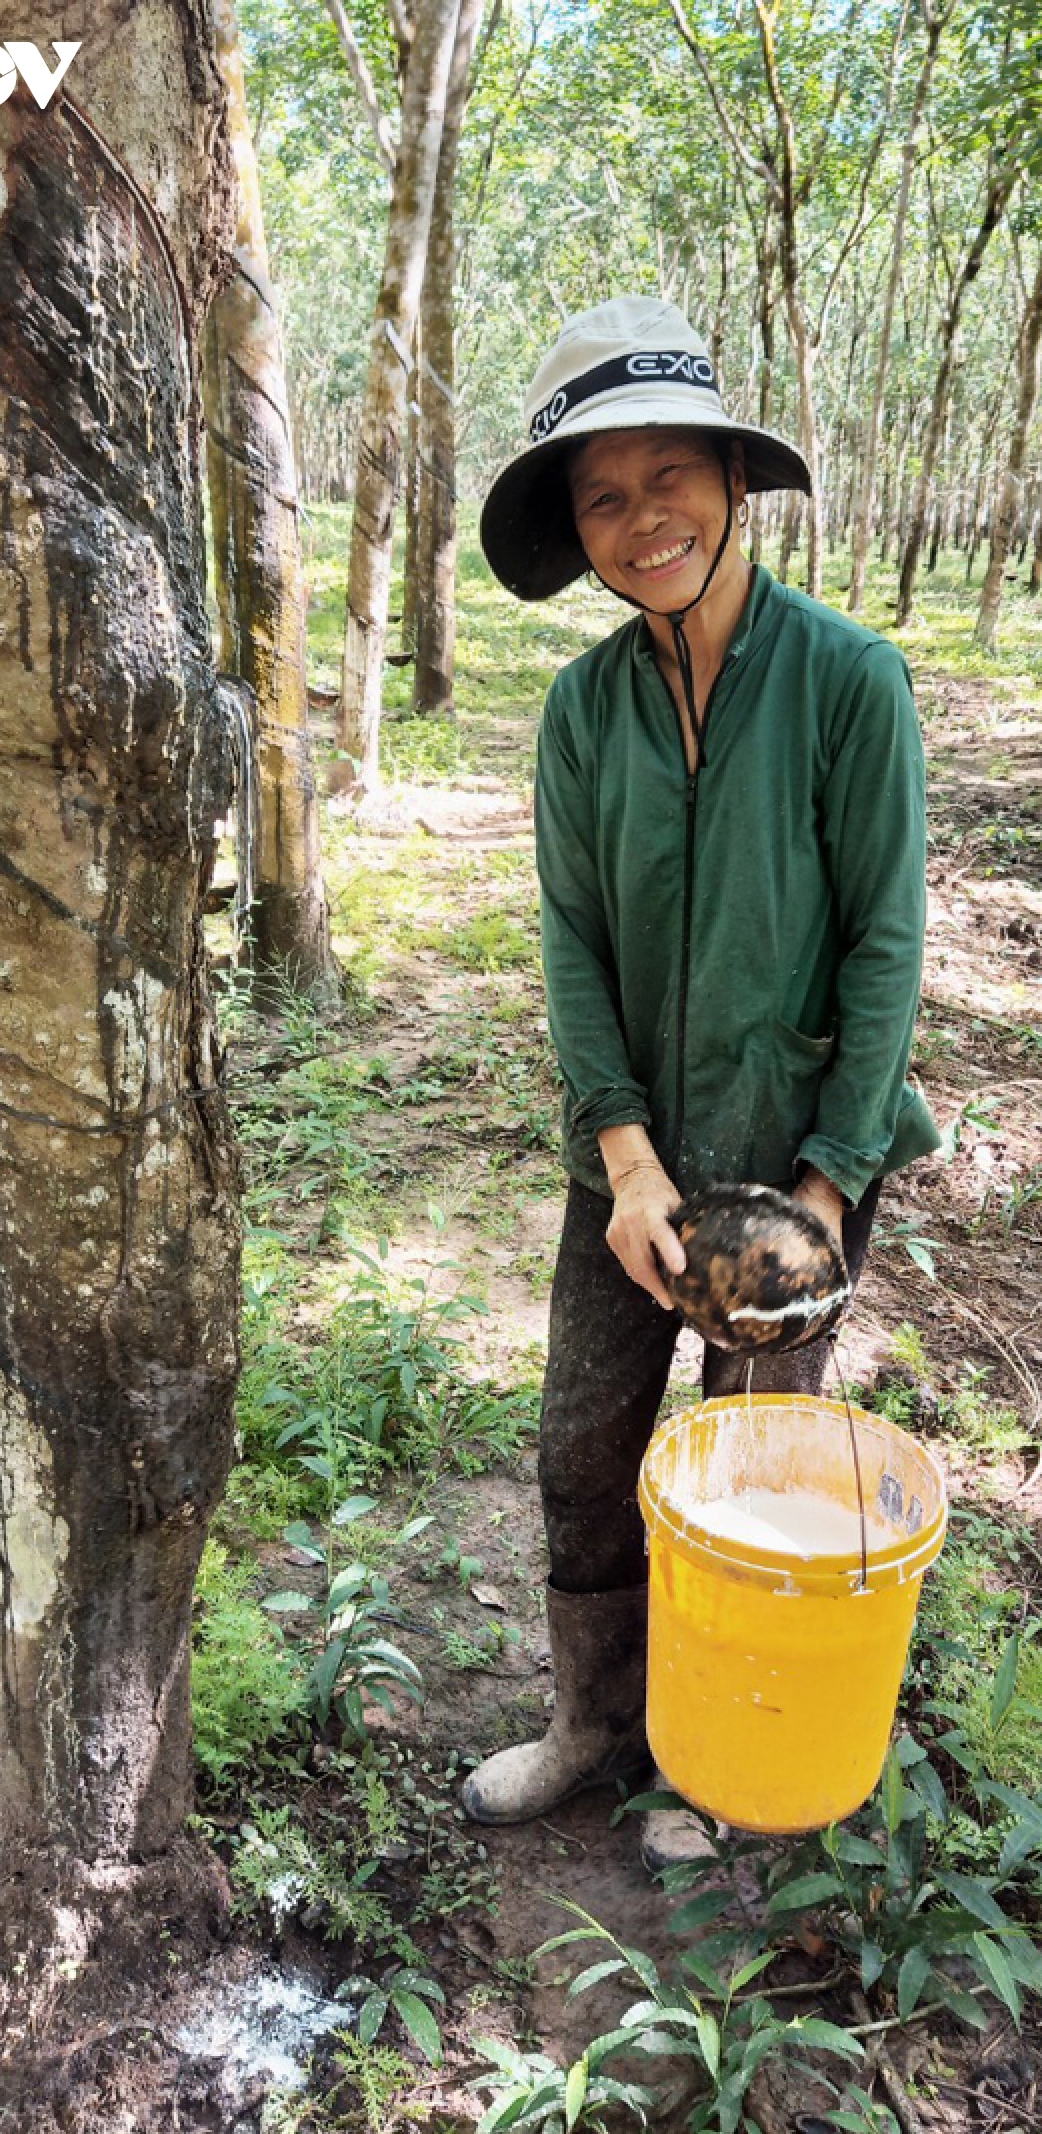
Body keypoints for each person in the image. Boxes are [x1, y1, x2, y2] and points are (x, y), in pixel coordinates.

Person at [460, 297, 940, 1864]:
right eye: (601, 493)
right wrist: (627, 1157)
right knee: (586, 1447)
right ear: (577, 530)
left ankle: (719, 1762)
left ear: (733, 478)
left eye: (671, 472)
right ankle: (594, 1723)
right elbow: (571, 939)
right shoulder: (581, 716)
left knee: (746, 1475)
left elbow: (885, 948)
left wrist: (824, 1186)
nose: (641, 515)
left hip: (799, 1161)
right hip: (637, 1171)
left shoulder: (850, 686)